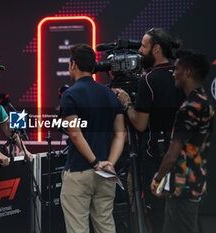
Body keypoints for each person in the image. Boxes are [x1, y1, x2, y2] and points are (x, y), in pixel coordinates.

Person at [114, 28, 185, 233]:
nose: (140, 52)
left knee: (159, 217)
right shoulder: (183, 74)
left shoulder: (149, 81)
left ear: (156, 49)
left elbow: (140, 124)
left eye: (143, 47)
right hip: (184, 157)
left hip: (157, 160)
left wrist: (127, 104)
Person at [60, 43, 126, 233]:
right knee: (106, 225)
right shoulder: (111, 95)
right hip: (107, 172)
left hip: (80, 170)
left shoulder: (70, 94)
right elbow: (120, 134)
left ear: (73, 65)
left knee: (78, 228)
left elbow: (74, 133)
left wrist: (95, 162)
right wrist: (108, 164)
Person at [150, 49, 214, 233]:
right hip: (194, 183)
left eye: (177, 69)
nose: (174, 73)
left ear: (188, 72)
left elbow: (173, 153)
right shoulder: (204, 101)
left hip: (183, 188)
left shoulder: (189, 108)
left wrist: (157, 180)